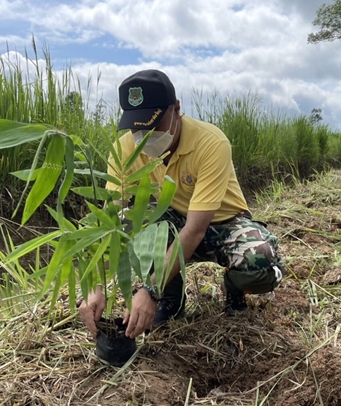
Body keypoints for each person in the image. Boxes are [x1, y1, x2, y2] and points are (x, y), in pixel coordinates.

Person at [79, 69, 284, 338]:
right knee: (135, 218)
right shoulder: (124, 149)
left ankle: (234, 288)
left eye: (153, 124)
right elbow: (112, 222)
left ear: (176, 109)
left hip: (222, 224)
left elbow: (196, 229)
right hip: (172, 221)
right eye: (136, 127)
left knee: (260, 262)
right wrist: (95, 284)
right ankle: (172, 301)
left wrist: (150, 290)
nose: (145, 135)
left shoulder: (210, 142)